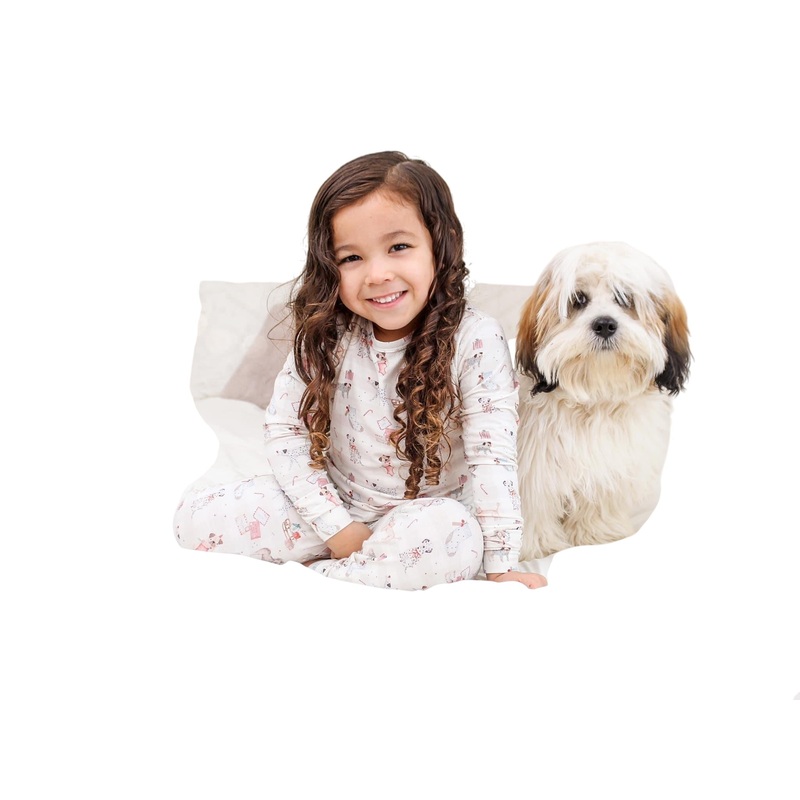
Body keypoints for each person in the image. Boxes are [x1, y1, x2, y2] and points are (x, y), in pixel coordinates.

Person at [174, 151, 546, 591]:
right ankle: (359, 561)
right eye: (351, 257)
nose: (377, 274)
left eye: (399, 247)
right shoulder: (329, 333)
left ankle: (326, 577)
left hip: (423, 521)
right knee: (191, 520)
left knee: (456, 539)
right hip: (333, 506)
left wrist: (501, 563)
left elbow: (492, 456)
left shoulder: (476, 338)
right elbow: (286, 432)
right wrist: (336, 527)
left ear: (440, 243)